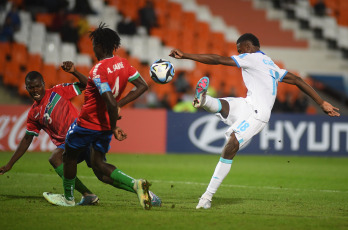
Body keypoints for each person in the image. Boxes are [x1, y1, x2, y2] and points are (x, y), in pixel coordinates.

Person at [169, 33, 340, 209]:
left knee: (232, 143)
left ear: (248, 47)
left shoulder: (251, 58)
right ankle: (204, 100)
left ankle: (206, 197)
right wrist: (321, 102)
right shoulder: (270, 64)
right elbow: (297, 80)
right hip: (248, 104)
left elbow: (218, 59)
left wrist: (187, 55)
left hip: (258, 114)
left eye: (240, 49)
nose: (239, 53)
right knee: (224, 105)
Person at [43, 23, 155, 209]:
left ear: (101, 46)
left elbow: (109, 101)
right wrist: (118, 107)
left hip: (87, 123)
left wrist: (114, 124)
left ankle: (68, 198)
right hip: (103, 126)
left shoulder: (98, 70)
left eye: (94, 44)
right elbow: (142, 86)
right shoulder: (123, 63)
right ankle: (136, 184)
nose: (93, 48)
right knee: (98, 164)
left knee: (68, 157)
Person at [0, 64, 99, 206]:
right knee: (57, 159)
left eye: (37, 86)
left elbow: (87, 85)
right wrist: (10, 164)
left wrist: (75, 71)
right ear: (26, 88)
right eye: (31, 87)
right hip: (68, 144)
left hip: (80, 134)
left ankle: (80, 196)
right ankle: (86, 195)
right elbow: (27, 139)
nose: (35, 90)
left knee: (101, 171)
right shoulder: (33, 113)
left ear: (43, 84)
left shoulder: (57, 92)